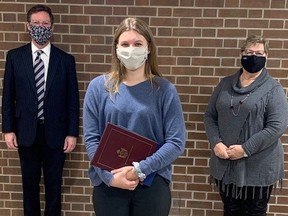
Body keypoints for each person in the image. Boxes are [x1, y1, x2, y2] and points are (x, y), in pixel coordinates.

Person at [83, 17, 186, 216]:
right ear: (116, 48)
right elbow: (91, 138)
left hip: (152, 182)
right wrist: (109, 177)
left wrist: (139, 170)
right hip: (109, 180)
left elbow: (176, 141)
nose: (131, 49)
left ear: (148, 48)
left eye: (138, 44)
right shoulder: (98, 87)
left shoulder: (165, 90)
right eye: (125, 44)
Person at [2, 4, 79, 216]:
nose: (40, 27)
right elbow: (8, 96)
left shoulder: (65, 60)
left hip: (56, 134)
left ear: (52, 26)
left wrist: (72, 133)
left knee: (54, 188)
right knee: (29, 187)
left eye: (45, 23)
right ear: (28, 26)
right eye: (36, 23)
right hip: (25, 132)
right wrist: (8, 129)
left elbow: (73, 100)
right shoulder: (15, 57)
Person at [204, 35, 288, 216]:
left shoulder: (273, 89)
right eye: (249, 52)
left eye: (259, 53)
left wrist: (245, 149)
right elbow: (210, 116)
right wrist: (215, 142)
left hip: (258, 166)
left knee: (254, 212)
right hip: (225, 163)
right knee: (230, 210)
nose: (254, 57)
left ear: (267, 56)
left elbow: (277, 126)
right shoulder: (225, 84)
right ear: (241, 54)